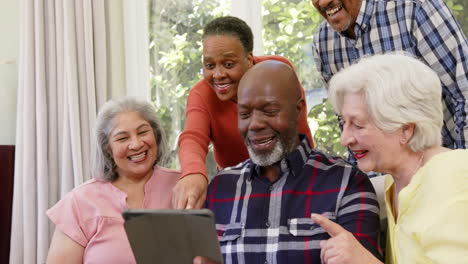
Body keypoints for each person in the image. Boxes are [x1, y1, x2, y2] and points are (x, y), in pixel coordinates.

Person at [194, 60, 381, 264]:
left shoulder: (347, 183)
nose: (254, 124)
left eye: (269, 111)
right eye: (245, 114)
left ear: (299, 110)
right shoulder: (219, 188)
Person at [314, 53, 468, 264]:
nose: (344, 139)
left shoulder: (452, 177)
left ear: (405, 130)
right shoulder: (395, 180)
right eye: (344, 123)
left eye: (358, 125)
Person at [174, 16, 313, 210]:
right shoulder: (202, 94)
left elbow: (300, 134)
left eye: (228, 64)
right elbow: (192, 138)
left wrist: (309, 178)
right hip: (239, 188)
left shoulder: (278, 72)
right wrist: (192, 173)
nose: (218, 75)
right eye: (209, 65)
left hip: (289, 178)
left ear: (249, 59)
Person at [312, 0, 468, 150]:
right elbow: (347, 122)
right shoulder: (323, 42)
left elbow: (465, 91)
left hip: (442, 162)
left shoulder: (412, 8)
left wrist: (459, 167)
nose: (323, 2)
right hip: (384, 174)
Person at [46, 97, 180, 263]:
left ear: (156, 135)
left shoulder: (181, 186)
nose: (136, 144)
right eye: (123, 138)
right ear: (108, 149)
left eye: (143, 132)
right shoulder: (79, 202)